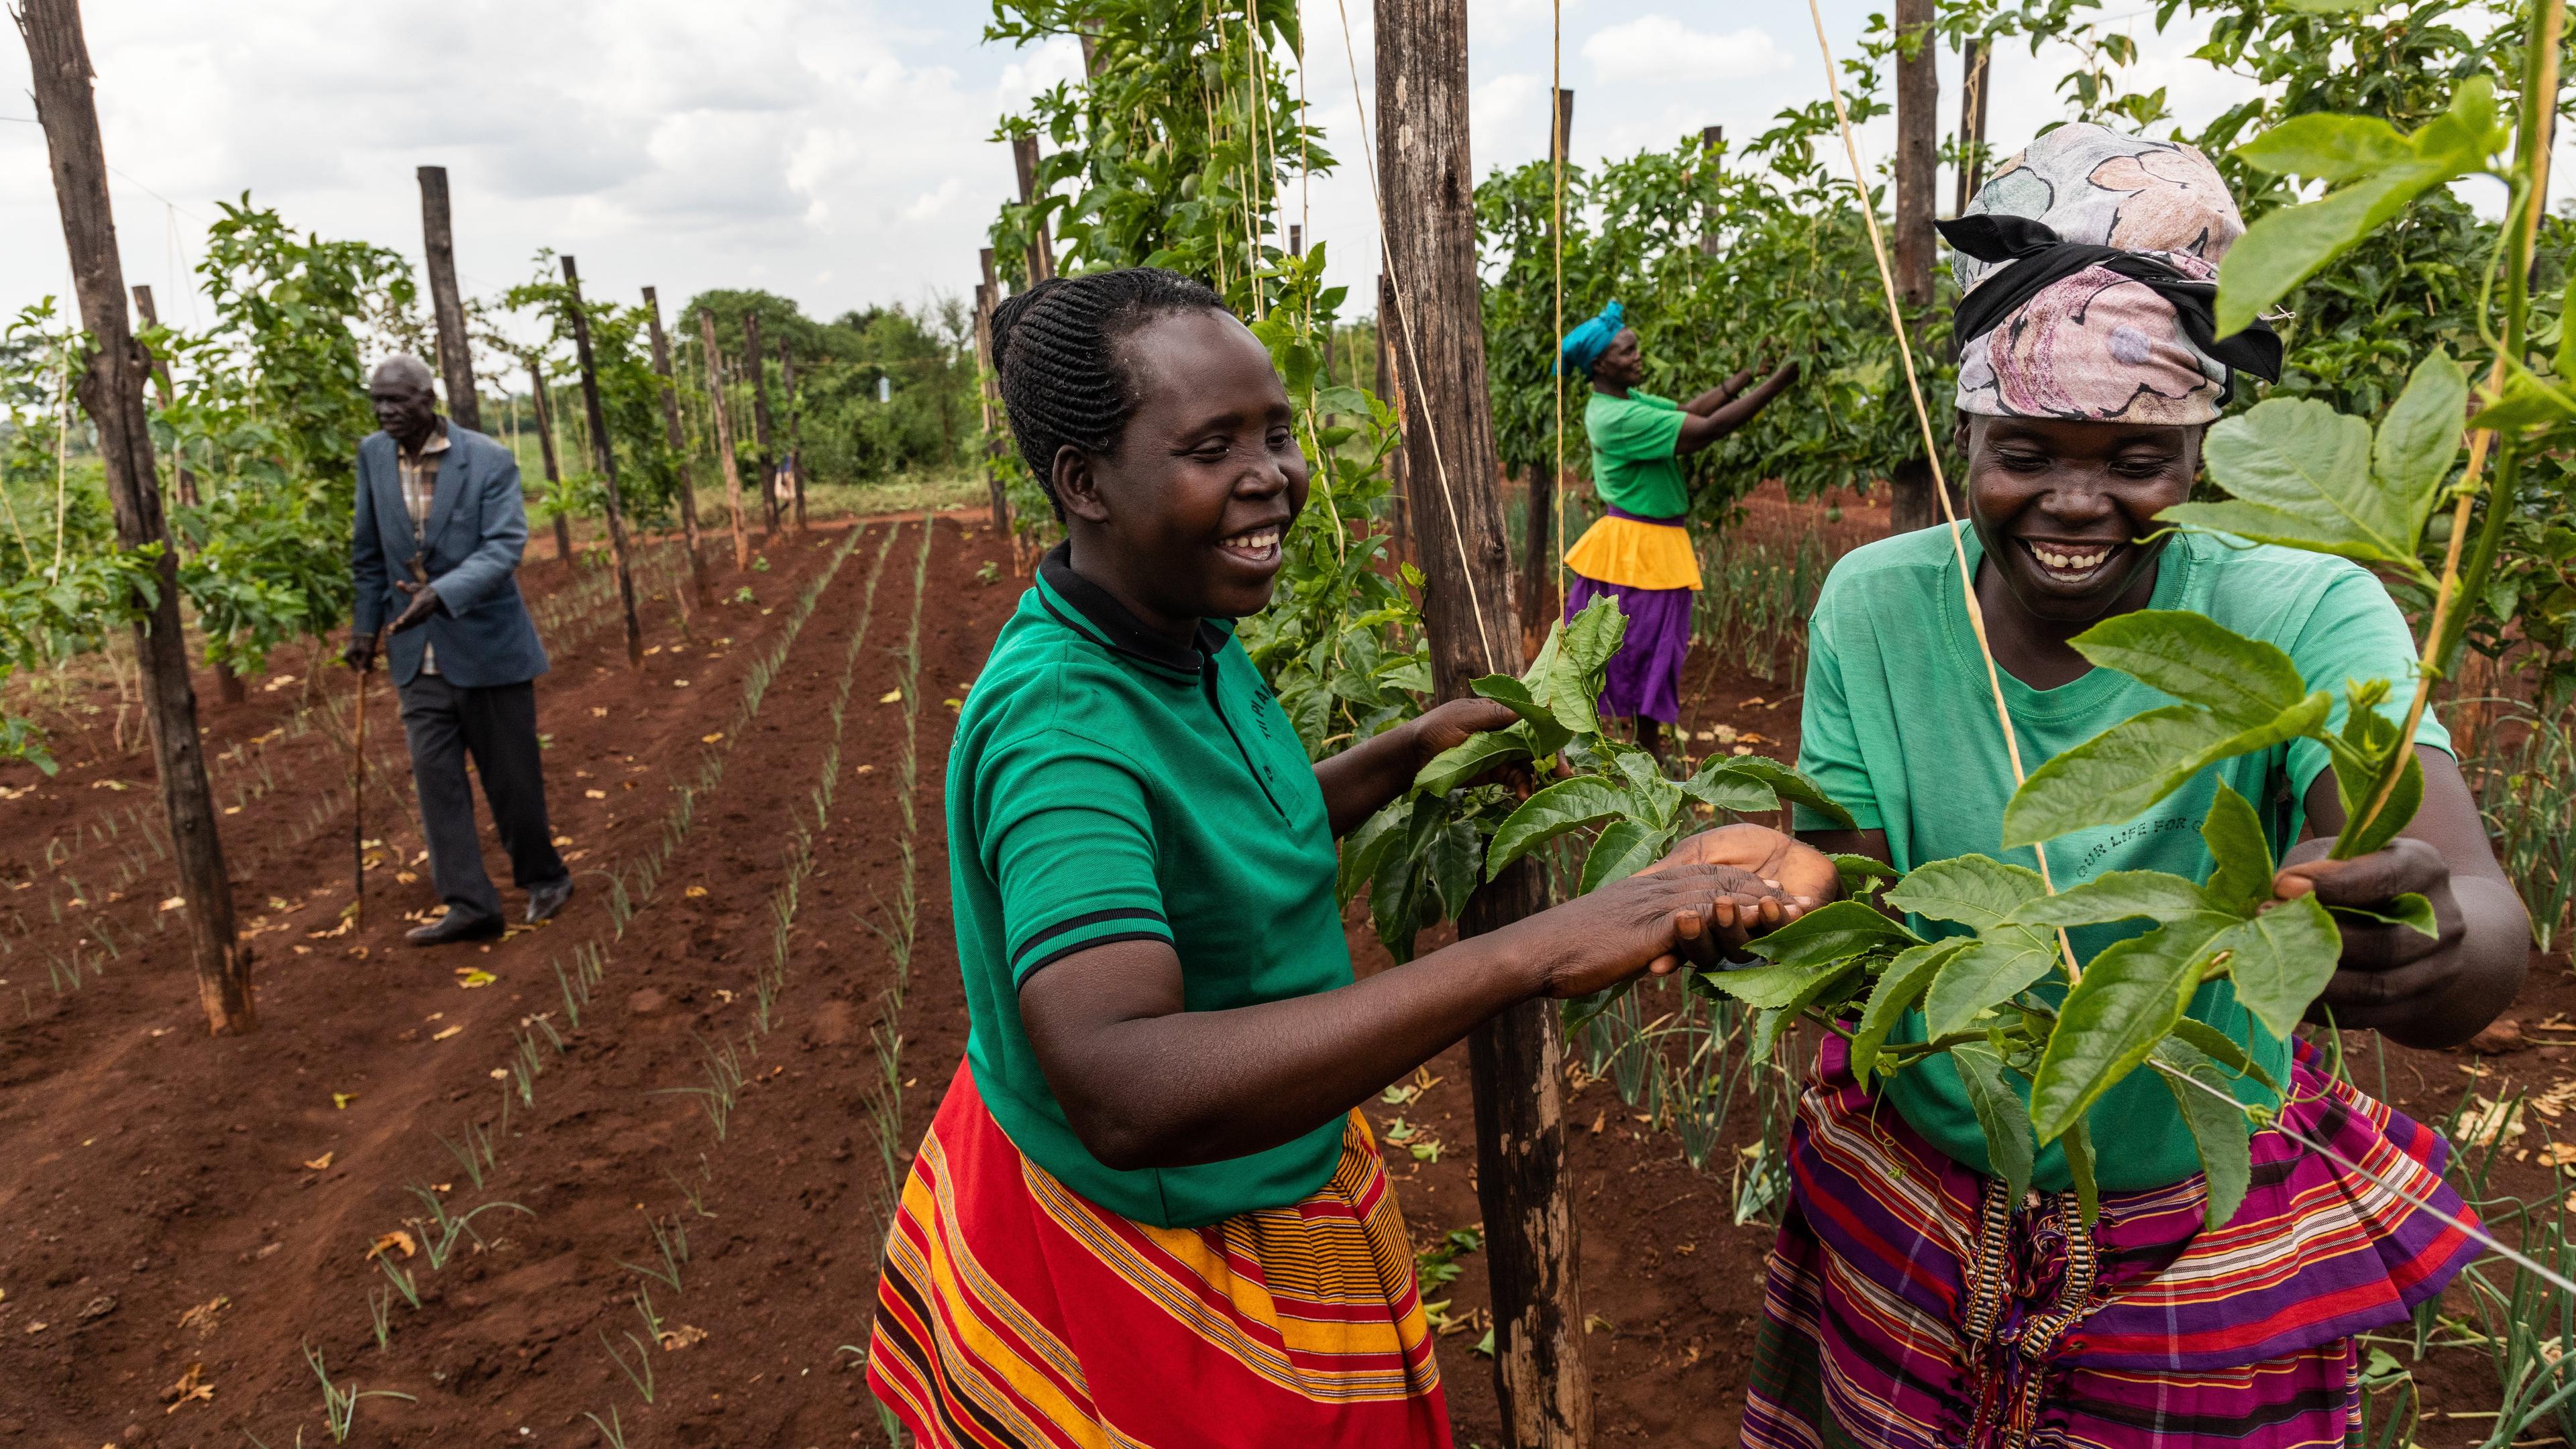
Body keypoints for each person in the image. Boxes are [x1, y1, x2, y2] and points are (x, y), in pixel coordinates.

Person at [1672, 125, 2528, 1449]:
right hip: (1919, 1186)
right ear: (1963, 432)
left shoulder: (2306, 607)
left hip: (2194, 1217)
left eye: (2135, 462)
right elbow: (1852, 884)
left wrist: (2439, 944)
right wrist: (1769, 897)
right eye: (2026, 452)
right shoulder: (1879, 603)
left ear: (2201, 457)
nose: (2075, 503)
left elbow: (2470, 898)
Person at [863, 267, 1809, 1448]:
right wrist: (1533, 952)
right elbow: (1122, 1080)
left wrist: (1408, 752)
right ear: (1083, 483)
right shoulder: (1060, 731)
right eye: (1214, 445)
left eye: (1276, 432)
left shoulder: (1178, 625)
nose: (1272, 476)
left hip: (1263, 1165)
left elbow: (1228, 832)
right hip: (1159, 1244)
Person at [347, 356, 574, 946]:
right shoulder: (373, 455)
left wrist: (441, 595)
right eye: (377, 401)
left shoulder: (488, 460)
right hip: (414, 651)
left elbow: (503, 549)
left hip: (485, 643)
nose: (385, 412)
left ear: (429, 398)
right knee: (436, 782)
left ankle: (544, 877)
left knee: (512, 780)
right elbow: (369, 552)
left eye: (397, 401)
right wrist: (364, 629)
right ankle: (470, 904)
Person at [1556, 303, 1799, 760]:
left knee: (1649, 652)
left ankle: (1639, 752)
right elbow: (1705, 430)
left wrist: (1748, 375)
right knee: (1637, 652)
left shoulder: (1626, 400)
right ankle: (1634, 755)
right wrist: (1780, 382)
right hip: (1639, 547)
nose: (1638, 357)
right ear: (1601, 365)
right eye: (1628, 352)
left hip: (1651, 542)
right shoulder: (1613, 417)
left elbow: (1688, 411)